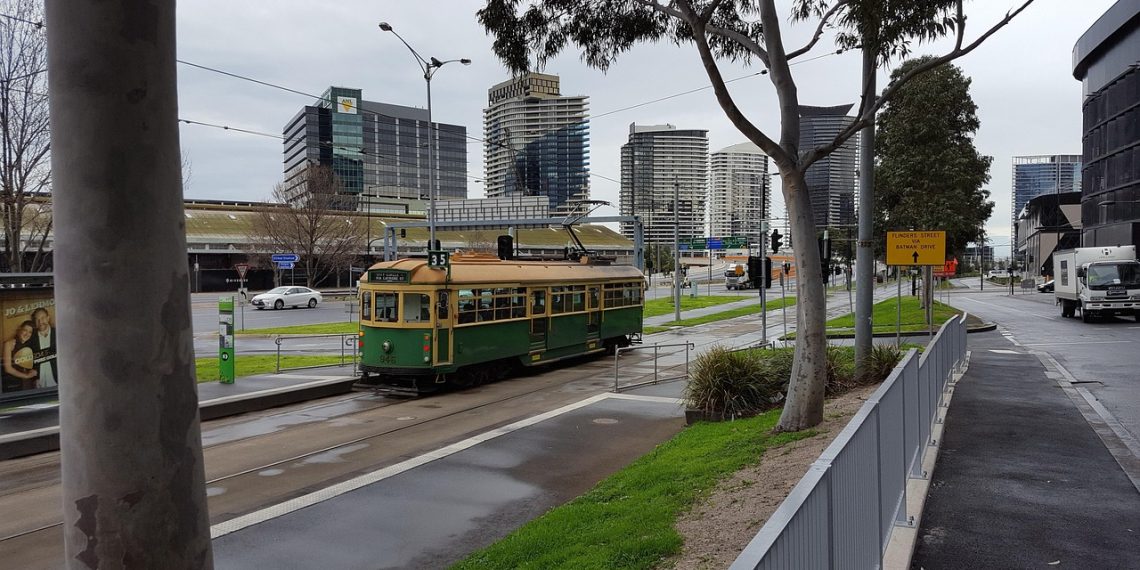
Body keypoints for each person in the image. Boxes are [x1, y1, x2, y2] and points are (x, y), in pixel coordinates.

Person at [2, 320, 37, 392]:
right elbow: (8, 369)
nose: (27, 334)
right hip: (13, 384)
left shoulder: (31, 345)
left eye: (30, 332)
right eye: (25, 330)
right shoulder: (9, 344)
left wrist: (35, 372)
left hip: (27, 383)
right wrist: (26, 376)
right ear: (20, 330)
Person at [30, 307, 57, 388]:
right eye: (37, 319)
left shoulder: (58, 333)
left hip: (58, 381)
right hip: (39, 384)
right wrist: (34, 378)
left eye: (42, 318)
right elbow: (29, 360)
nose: (40, 322)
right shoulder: (31, 337)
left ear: (48, 318)